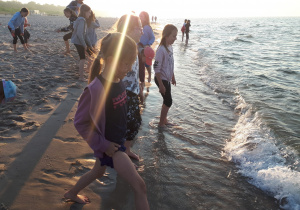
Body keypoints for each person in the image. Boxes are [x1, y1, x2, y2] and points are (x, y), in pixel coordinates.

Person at [64, 33, 149, 210]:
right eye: (126, 62)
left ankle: (71, 193)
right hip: (111, 148)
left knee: (98, 171)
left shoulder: (119, 81)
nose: (129, 67)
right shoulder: (95, 88)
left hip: (117, 143)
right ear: (111, 60)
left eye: (131, 62)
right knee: (140, 186)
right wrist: (103, 145)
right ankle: (72, 192)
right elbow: (80, 122)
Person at [116, 14, 143, 160]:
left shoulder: (133, 46)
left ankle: (126, 150)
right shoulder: (123, 47)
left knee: (135, 122)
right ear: (130, 29)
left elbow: (136, 71)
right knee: (126, 124)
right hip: (122, 91)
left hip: (133, 90)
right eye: (140, 28)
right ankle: (121, 155)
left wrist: (139, 87)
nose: (142, 32)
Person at [153, 24, 178, 127]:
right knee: (168, 101)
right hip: (161, 79)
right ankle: (161, 123)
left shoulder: (170, 47)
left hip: (167, 79)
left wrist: (173, 76)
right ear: (166, 36)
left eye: (176, 36)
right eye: (173, 36)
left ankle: (164, 120)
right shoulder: (161, 50)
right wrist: (161, 85)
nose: (175, 38)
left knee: (166, 100)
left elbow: (170, 64)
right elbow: (156, 68)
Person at [71, 4, 93, 81]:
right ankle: (81, 77)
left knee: (86, 56)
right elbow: (79, 34)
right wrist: (84, 45)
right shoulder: (81, 20)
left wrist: (90, 45)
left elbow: (85, 34)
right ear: (84, 12)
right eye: (89, 12)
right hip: (78, 41)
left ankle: (84, 72)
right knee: (83, 58)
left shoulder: (82, 20)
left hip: (78, 41)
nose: (90, 14)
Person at [139, 11, 155, 83]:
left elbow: (152, 38)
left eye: (142, 16)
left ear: (146, 18)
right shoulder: (138, 26)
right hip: (138, 47)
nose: (140, 17)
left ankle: (149, 75)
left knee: (147, 64)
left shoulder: (148, 27)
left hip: (145, 48)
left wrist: (148, 44)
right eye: (139, 16)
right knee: (140, 63)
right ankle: (140, 79)